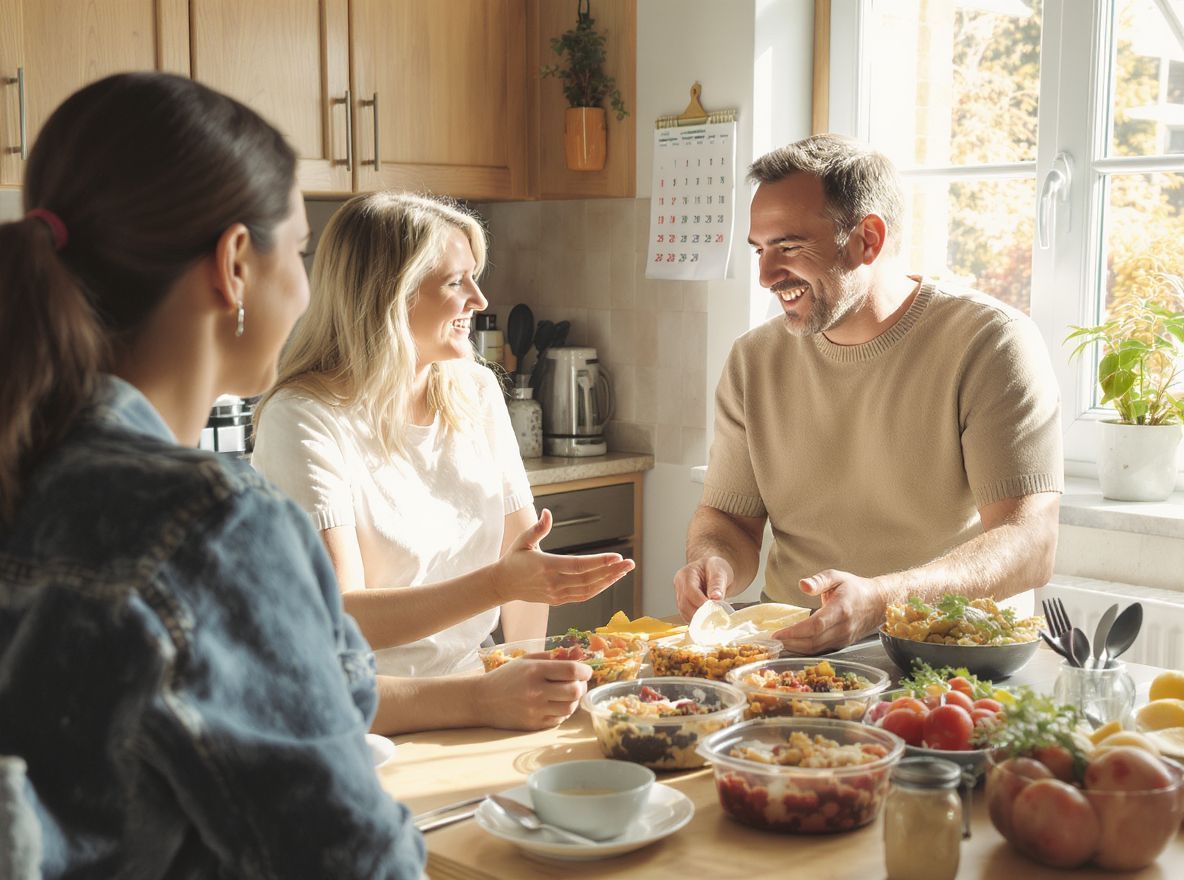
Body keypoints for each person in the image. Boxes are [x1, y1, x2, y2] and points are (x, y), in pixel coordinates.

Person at [0, 73, 424, 878]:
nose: (303, 286)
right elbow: (358, 867)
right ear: (234, 264)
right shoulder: (211, 524)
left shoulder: (28, 470)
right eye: (298, 248)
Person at [252, 192, 635, 735]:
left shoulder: (475, 389)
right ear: (388, 295)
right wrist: (497, 592)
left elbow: (522, 562)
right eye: (457, 282)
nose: (479, 300)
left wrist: (531, 672)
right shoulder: (304, 417)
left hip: (480, 691)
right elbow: (340, 621)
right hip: (366, 710)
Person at [673, 134, 1063, 653]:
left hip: (949, 660)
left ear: (868, 239)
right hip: (791, 656)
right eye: (760, 250)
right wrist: (713, 560)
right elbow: (729, 521)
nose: (766, 275)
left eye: (788, 246)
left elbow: (1030, 545)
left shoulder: (991, 343)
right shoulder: (753, 361)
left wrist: (882, 601)